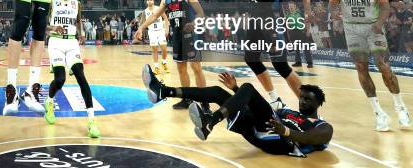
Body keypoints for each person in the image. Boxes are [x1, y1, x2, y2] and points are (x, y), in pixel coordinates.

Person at [192, 0, 311, 109]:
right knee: (251, 59)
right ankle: (274, 99)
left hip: (271, 19)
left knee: (280, 65)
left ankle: (308, 106)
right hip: (255, 19)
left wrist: (307, 11)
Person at [142, 65, 333, 158]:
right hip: (260, 131)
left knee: (249, 88)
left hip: (281, 143)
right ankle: (163, 91)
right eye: (302, 97)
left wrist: (284, 131)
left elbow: (309, 138)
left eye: (308, 99)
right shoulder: (288, 110)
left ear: (319, 104)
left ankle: (211, 121)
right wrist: (235, 90)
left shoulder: (323, 126)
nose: (303, 101)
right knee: (219, 92)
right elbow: (256, 108)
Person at [329, 0, 412, 131]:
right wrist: (335, 13)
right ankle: (378, 113)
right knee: (361, 67)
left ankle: (400, 107)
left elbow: (385, 6)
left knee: (383, 65)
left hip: (373, 25)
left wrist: (380, 23)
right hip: (352, 28)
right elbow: (332, 4)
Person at [136, 0, 208, 110]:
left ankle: (204, 102)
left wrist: (193, 23)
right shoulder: (166, 0)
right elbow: (155, 16)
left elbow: (201, 13)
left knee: (196, 68)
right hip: (177, 37)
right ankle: (186, 99)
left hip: (190, 36)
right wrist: (141, 28)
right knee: (181, 69)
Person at [44, 0, 101, 138]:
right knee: (60, 79)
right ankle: (49, 101)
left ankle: (91, 121)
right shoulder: (52, 2)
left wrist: (81, 33)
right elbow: (41, 23)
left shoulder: (76, 3)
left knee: (81, 77)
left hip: (72, 43)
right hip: (55, 42)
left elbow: (78, 21)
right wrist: (52, 27)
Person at [138, 0, 170, 76]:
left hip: (160, 30)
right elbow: (142, 23)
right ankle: (156, 67)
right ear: (146, 2)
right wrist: (140, 31)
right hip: (152, 32)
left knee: (164, 48)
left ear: (153, 1)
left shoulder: (158, 8)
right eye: (148, 0)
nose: (149, 1)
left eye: (150, 0)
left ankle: (164, 62)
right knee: (154, 50)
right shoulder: (145, 11)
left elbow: (166, 18)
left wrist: (167, 29)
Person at [286, 1, 313, 68]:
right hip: (293, 32)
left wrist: (308, 31)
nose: (290, 7)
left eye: (291, 6)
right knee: (296, 48)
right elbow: (287, 25)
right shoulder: (288, 14)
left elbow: (307, 21)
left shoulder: (300, 12)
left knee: (305, 47)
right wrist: (289, 34)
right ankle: (298, 62)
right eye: (289, 6)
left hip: (301, 32)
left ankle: (310, 63)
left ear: (295, 6)